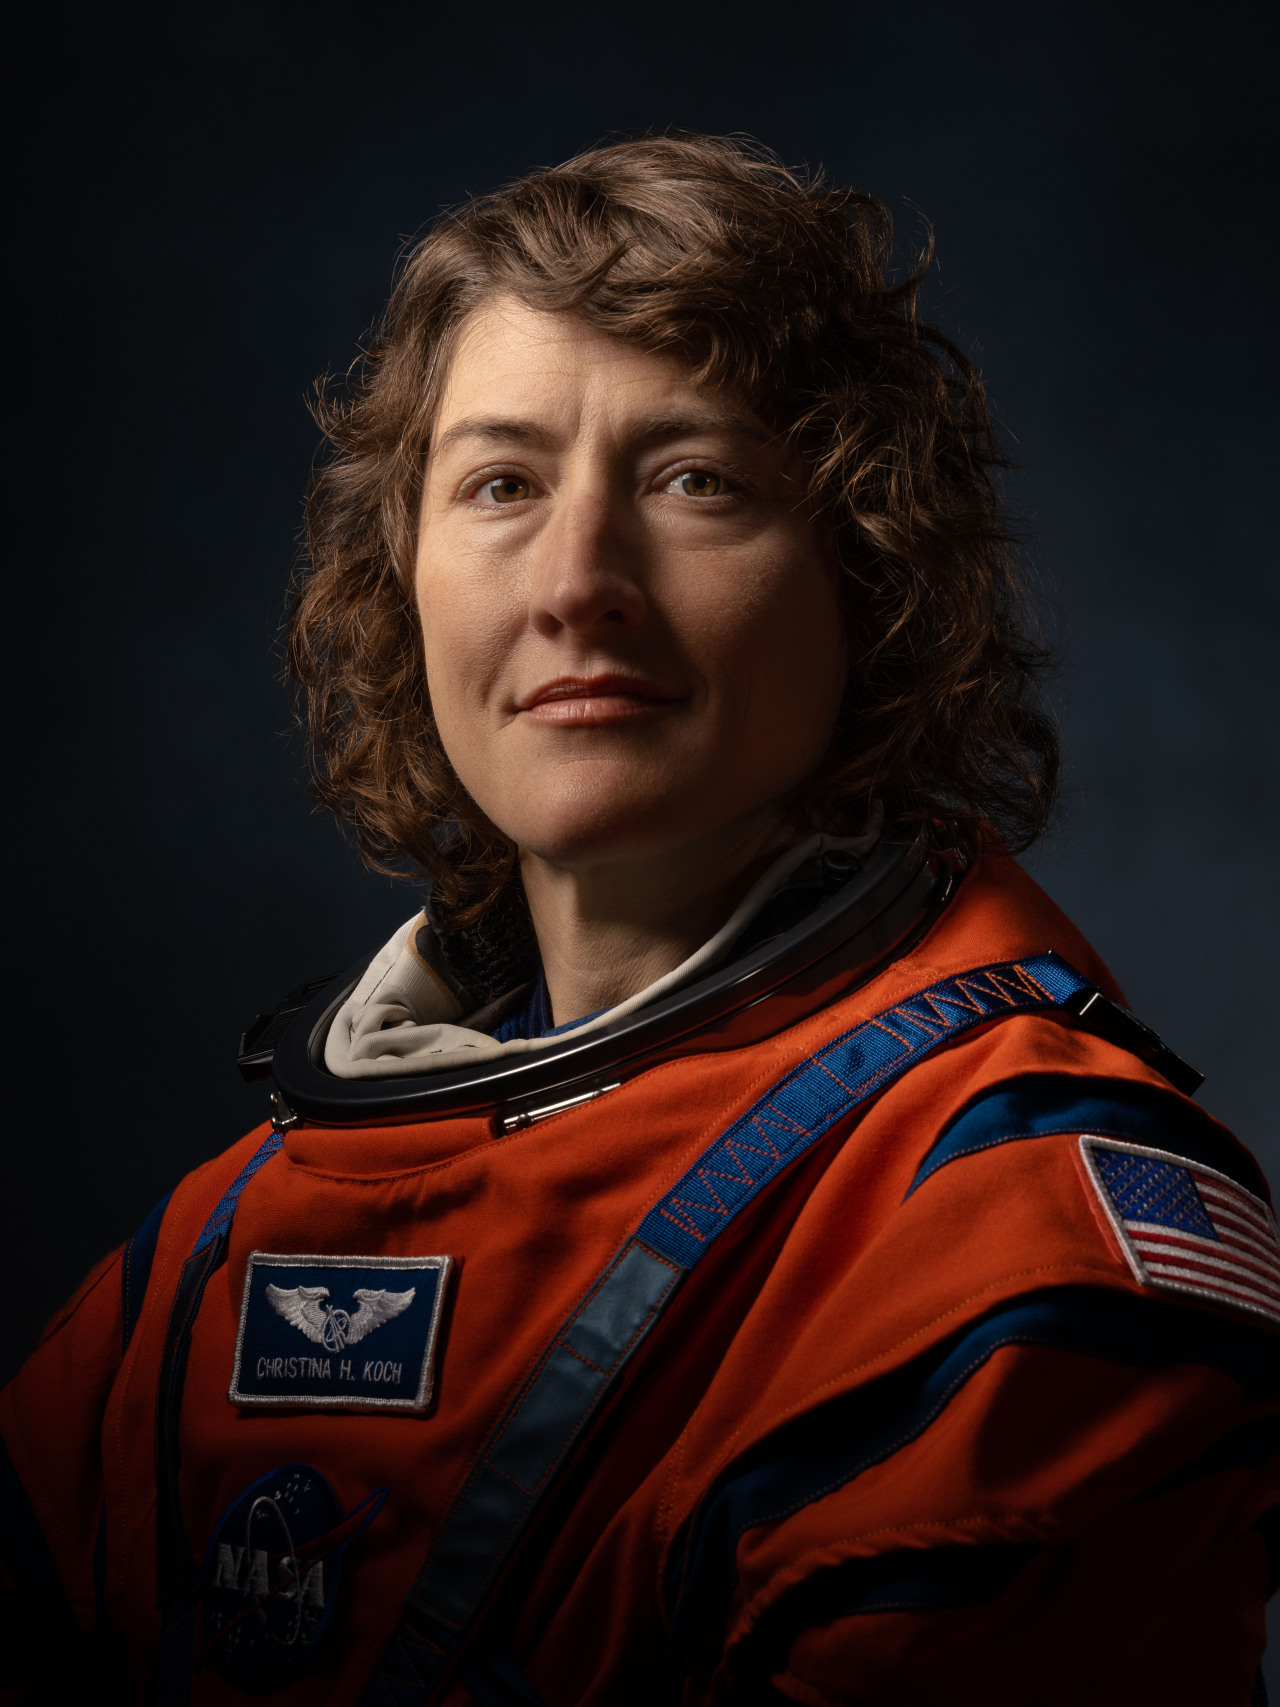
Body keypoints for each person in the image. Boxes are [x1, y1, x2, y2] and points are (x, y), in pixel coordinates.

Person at [1, 134, 1276, 1707]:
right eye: (500, 485)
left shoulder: (1016, 1231)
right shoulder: (208, 1255)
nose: (576, 582)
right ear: (401, 576)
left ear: (866, 577)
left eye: (695, 480)